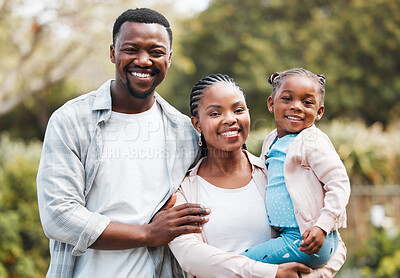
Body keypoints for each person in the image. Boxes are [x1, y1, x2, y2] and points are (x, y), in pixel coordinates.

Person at [36, 8, 210, 278]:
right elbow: (59, 216)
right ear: (113, 53)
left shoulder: (184, 131)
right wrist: (148, 234)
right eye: (131, 49)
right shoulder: (71, 121)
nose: (144, 60)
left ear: (169, 58)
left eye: (156, 52)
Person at [168, 73, 347, 278]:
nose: (230, 119)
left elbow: (336, 245)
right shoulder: (184, 191)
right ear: (197, 124)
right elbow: (191, 257)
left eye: (238, 110)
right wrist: (270, 273)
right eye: (215, 113)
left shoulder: (274, 172)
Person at [241, 68, 351, 269]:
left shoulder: (312, 141)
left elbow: (339, 184)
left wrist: (322, 226)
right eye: (287, 99)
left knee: (240, 263)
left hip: (307, 237)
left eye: (307, 102)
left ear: (319, 112)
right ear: (271, 103)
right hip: (287, 235)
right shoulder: (271, 140)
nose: (297, 107)